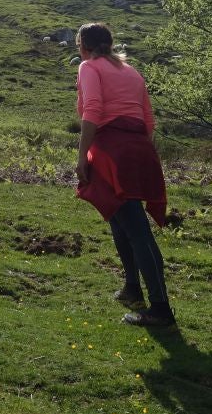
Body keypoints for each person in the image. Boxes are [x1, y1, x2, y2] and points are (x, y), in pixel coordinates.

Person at [73, 21, 175, 327]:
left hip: (111, 150)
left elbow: (92, 110)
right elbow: (148, 121)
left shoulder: (89, 67)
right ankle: (132, 287)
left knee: (136, 229)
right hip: (139, 148)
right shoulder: (131, 72)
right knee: (118, 217)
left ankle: (160, 308)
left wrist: (82, 155)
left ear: (83, 46)